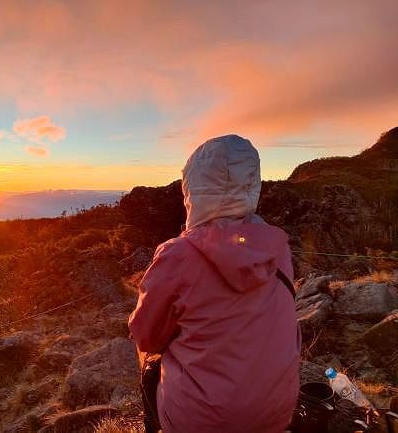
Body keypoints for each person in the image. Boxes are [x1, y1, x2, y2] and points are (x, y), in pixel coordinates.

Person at [128, 135, 301, 433]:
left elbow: (146, 337)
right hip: (277, 412)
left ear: (192, 190)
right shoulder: (277, 246)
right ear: (252, 184)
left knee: (149, 362)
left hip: (202, 422)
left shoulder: (178, 254)